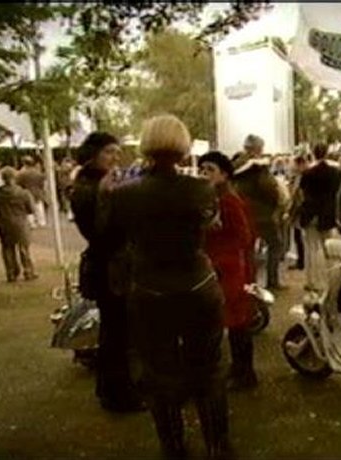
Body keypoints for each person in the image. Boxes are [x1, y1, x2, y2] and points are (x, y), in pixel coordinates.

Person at [101, 115, 229, 458]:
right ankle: (218, 446)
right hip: (198, 286)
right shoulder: (201, 188)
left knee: (160, 375)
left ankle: (173, 447)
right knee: (208, 370)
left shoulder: (124, 194)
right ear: (182, 146)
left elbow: (110, 238)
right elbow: (211, 223)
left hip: (150, 290)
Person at [70, 132, 144, 413]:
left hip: (110, 266)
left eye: (117, 152)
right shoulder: (92, 188)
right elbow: (103, 232)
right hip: (109, 269)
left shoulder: (94, 184)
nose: (115, 157)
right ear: (93, 155)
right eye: (109, 152)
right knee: (116, 335)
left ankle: (111, 390)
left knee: (115, 333)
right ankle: (118, 395)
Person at [200, 151, 258, 391]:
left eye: (210, 170)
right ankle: (239, 370)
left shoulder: (228, 201)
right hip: (220, 267)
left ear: (224, 174)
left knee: (237, 322)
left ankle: (244, 373)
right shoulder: (213, 198)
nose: (204, 174)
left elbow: (244, 236)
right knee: (233, 321)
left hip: (229, 269)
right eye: (202, 169)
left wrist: (216, 237)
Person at [232, 134, 283, 290]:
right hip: (262, 213)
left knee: (249, 250)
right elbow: (267, 186)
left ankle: (250, 282)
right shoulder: (258, 166)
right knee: (276, 245)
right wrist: (276, 197)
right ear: (257, 148)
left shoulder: (236, 165)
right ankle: (272, 281)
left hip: (244, 212)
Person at [298, 143, 341, 292]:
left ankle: (311, 281)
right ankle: (331, 279)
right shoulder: (336, 173)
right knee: (328, 248)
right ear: (326, 152)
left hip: (310, 213)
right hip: (327, 214)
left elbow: (302, 194)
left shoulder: (307, 173)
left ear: (313, 153)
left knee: (311, 249)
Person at [0, 167, 37, 282]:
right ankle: (28, 271)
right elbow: (31, 209)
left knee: (7, 248)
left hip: (3, 223)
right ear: (15, 177)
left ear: (2, 178)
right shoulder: (23, 193)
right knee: (24, 249)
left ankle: (11, 273)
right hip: (21, 223)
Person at [287, 155, 308, 270]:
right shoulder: (298, 177)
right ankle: (301, 261)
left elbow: (298, 197)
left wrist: (292, 211)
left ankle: (302, 262)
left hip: (300, 212)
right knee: (298, 238)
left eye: (295, 165)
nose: (293, 167)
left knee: (300, 238)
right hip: (298, 212)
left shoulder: (303, 178)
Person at [16, 156, 47, 228]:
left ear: (24, 163)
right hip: (38, 192)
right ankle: (42, 222)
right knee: (39, 206)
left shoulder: (22, 173)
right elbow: (42, 182)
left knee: (28, 209)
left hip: (27, 192)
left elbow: (18, 183)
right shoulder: (38, 172)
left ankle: (32, 223)